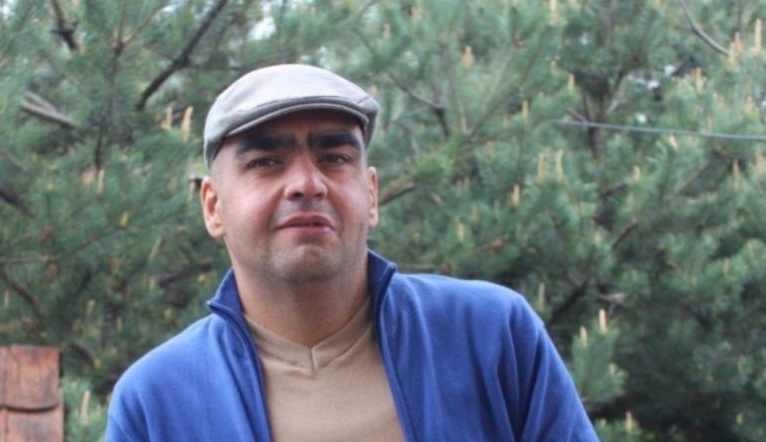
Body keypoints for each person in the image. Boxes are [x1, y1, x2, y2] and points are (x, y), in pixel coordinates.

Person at [106, 64, 598, 442]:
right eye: (267, 162)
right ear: (213, 206)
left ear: (371, 193)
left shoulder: (490, 336)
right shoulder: (156, 400)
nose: (306, 183)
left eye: (334, 158)